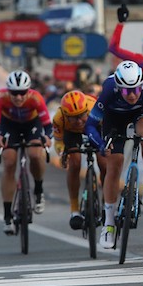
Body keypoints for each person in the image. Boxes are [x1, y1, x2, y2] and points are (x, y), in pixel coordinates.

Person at [85, 61, 143, 249]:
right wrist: (100, 145)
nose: (131, 95)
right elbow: (90, 126)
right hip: (114, 119)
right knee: (114, 165)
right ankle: (108, 224)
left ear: (141, 85)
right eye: (126, 91)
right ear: (118, 87)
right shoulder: (108, 90)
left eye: (135, 90)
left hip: (141, 114)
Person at [0, 70, 53, 235]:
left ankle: (38, 190)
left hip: (32, 124)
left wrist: (47, 137)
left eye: (22, 93)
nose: (18, 97)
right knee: (9, 162)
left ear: (28, 90)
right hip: (9, 125)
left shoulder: (36, 98)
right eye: (14, 93)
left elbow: (48, 126)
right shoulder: (0, 97)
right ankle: (7, 216)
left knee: (35, 154)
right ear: (8, 91)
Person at [53, 90, 107, 230]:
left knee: (104, 163)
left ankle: (107, 202)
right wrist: (62, 154)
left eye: (81, 116)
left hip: (95, 127)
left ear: (86, 111)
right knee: (75, 162)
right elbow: (58, 142)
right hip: (72, 135)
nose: (78, 121)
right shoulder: (59, 118)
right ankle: (74, 210)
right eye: (73, 118)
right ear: (65, 115)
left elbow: (107, 131)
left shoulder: (96, 108)